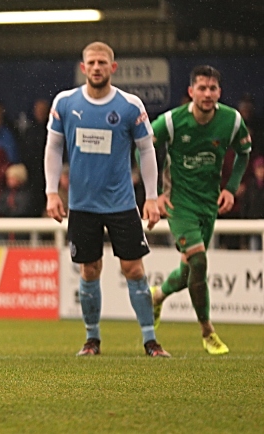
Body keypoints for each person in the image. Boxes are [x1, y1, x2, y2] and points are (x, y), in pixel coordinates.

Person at [45, 41, 169, 357]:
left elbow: (146, 150)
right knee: (89, 271)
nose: (97, 67)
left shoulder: (130, 106)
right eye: (92, 62)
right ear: (83, 68)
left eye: (103, 62)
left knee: (134, 269)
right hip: (82, 205)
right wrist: (50, 192)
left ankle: (150, 341)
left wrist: (152, 198)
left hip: (121, 204)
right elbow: (54, 147)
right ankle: (92, 340)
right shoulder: (65, 102)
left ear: (112, 68)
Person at [150, 65, 251, 355]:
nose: (207, 94)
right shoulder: (171, 122)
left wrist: (230, 188)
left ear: (219, 92)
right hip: (179, 203)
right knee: (199, 260)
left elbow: (244, 153)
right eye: (202, 88)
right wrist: (155, 193)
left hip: (209, 204)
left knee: (189, 270)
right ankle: (207, 331)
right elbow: (142, 145)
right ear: (191, 91)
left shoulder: (231, 120)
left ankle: (157, 296)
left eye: (213, 88)